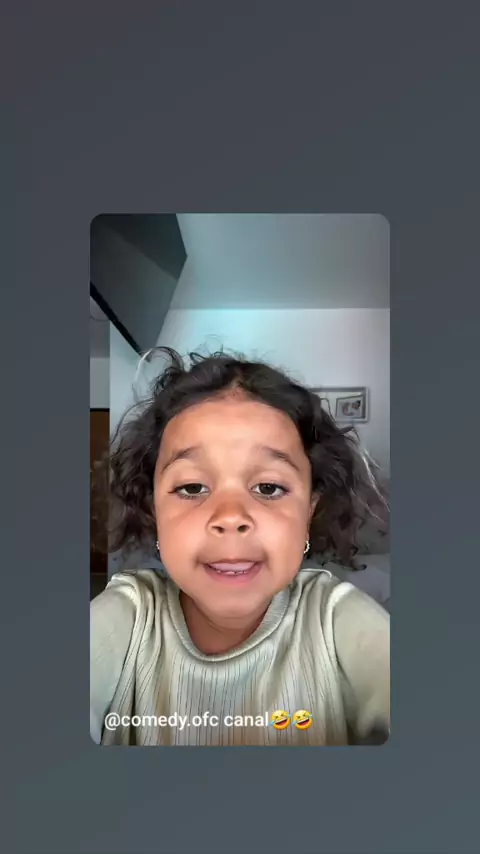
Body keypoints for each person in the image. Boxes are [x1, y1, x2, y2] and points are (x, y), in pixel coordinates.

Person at [90, 347, 390, 746]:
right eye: (192, 487)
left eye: (268, 487)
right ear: (154, 510)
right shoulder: (126, 616)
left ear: (309, 510)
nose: (231, 516)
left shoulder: (338, 618)